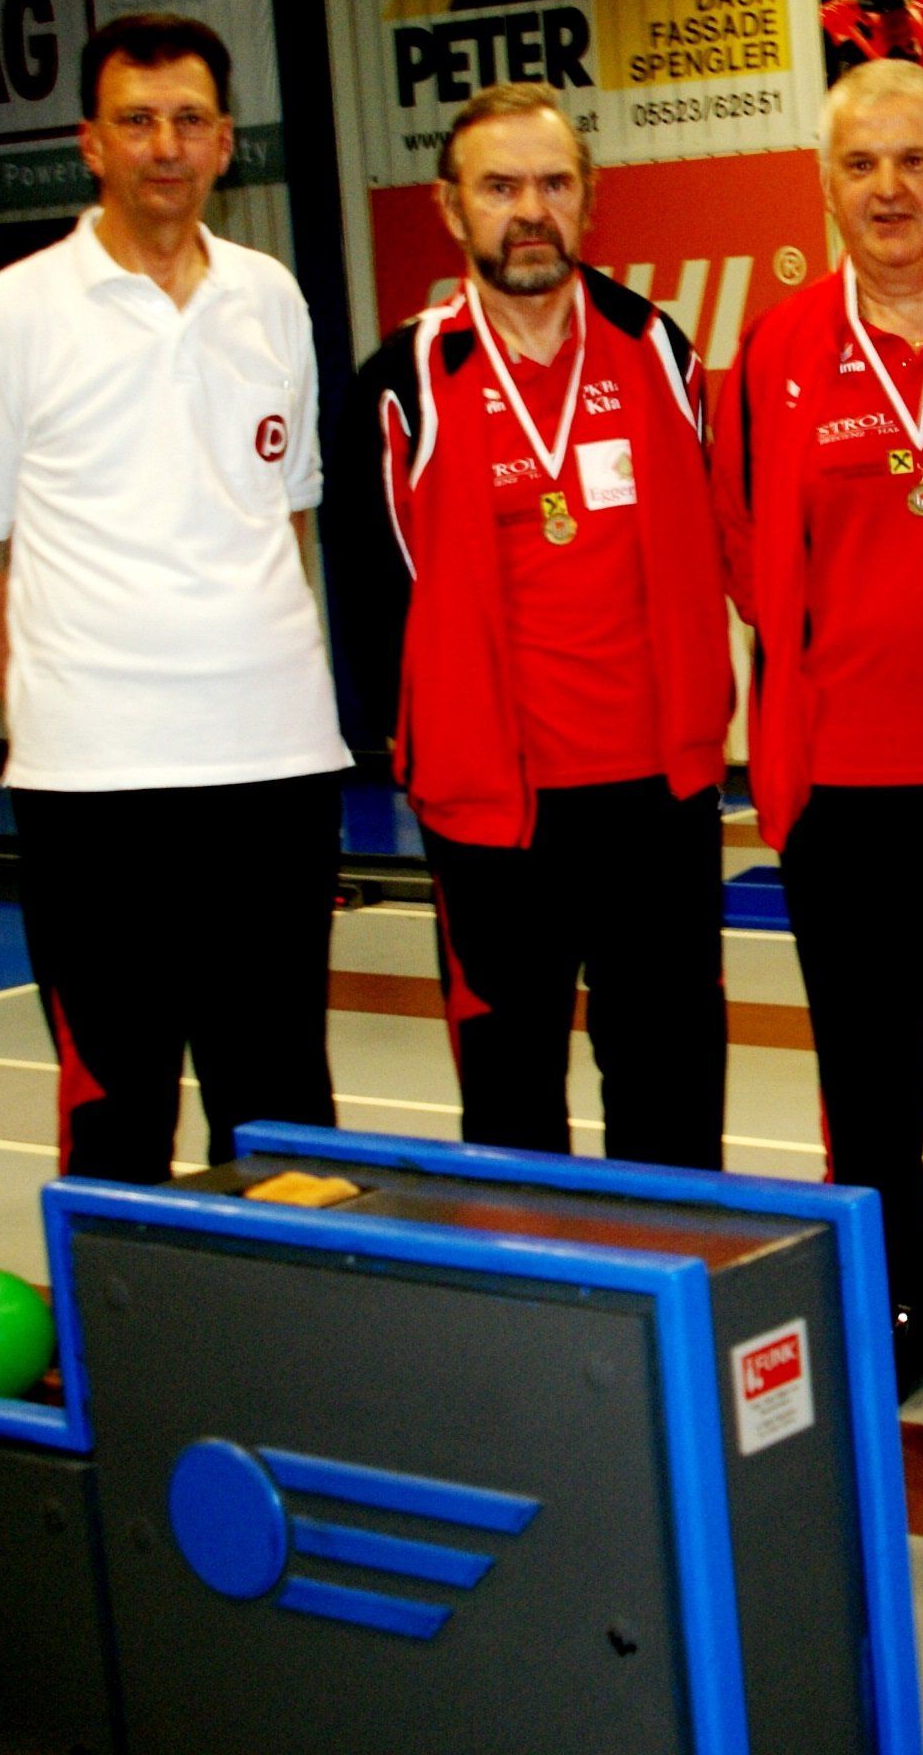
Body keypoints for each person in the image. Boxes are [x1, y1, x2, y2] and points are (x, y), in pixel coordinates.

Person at [0, 12, 348, 1184]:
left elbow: (283, 515)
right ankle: (127, 1313)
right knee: (120, 1108)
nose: (166, 146)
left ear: (225, 143)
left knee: (282, 1105)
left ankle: (276, 1305)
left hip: (276, 771)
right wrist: (64, 708)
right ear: (91, 143)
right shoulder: (11, 314)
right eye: (138, 120)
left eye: (190, 120)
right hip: (95, 793)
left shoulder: (271, 298)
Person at [722, 61, 923, 1400]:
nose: (890, 188)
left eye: (916, 161)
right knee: (869, 1084)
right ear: (827, 185)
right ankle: (891, 1304)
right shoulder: (776, 351)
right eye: (863, 165)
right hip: (843, 789)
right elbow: (746, 552)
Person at [351, 83, 733, 1171]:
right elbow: (374, 598)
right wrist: (429, 752)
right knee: (513, 1105)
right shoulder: (404, 381)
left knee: (670, 1095)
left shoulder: (656, 348)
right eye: (500, 187)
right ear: (451, 205)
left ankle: (673, 1277)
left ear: (589, 198)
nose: (530, 210)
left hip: (658, 798)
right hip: (494, 813)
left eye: (554, 184)